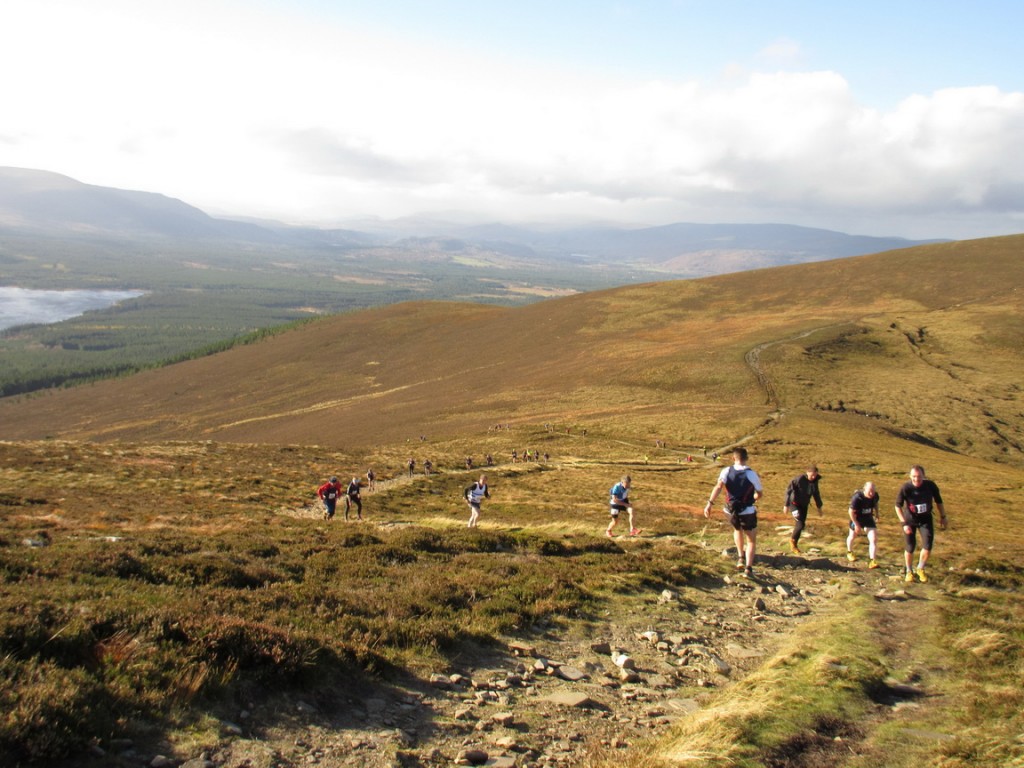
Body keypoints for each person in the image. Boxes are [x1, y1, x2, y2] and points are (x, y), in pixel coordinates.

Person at [704, 447, 763, 578]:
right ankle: (748, 568)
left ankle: (740, 558)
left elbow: (719, 486)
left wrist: (709, 503)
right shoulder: (752, 474)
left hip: (730, 509)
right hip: (747, 510)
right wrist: (754, 497)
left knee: (737, 530)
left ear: (733, 458)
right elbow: (759, 494)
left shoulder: (726, 471)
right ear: (746, 458)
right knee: (751, 539)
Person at [895, 465, 947, 583]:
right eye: (914, 476)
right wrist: (904, 524)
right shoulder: (906, 488)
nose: (916, 479)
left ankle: (920, 568)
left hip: (926, 519)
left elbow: (939, 501)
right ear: (910, 476)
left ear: (923, 476)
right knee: (910, 546)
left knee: (928, 545)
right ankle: (909, 571)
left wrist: (943, 516)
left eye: (919, 477)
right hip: (909, 520)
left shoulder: (930, 486)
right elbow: (897, 506)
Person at [783, 465, 824, 554]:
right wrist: (786, 505)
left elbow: (816, 494)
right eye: (812, 475)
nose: (813, 477)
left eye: (815, 475)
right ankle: (792, 543)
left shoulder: (815, 481)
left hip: (804, 505)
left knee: (802, 525)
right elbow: (788, 491)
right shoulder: (799, 479)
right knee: (800, 524)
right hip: (794, 504)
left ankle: (794, 544)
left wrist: (819, 508)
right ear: (807, 473)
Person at [846, 481, 880, 568]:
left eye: (873, 490)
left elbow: (875, 504)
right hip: (856, 518)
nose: (871, 493)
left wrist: (877, 514)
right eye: (869, 491)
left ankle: (872, 560)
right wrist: (856, 524)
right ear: (864, 489)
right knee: (852, 536)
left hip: (868, 518)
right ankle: (850, 552)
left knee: (874, 538)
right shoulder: (857, 498)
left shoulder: (875, 496)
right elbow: (850, 511)